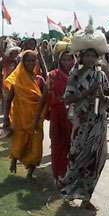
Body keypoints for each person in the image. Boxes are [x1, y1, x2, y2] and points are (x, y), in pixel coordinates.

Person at [60, 21, 109, 211]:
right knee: (77, 158)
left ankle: (86, 197)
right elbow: (67, 98)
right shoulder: (75, 74)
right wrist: (86, 94)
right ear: (81, 56)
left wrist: (101, 96)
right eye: (86, 55)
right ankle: (68, 192)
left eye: (93, 55)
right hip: (81, 123)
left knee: (96, 159)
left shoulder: (101, 75)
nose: (90, 59)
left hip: (98, 121)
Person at [34, 43, 74, 183]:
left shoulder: (79, 76)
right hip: (57, 115)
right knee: (57, 145)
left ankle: (70, 176)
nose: (67, 62)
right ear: (59, 60)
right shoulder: (52, 75)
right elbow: (44, 97)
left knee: (73, 146)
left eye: (70, 59)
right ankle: (58, 176)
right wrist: (37, 117)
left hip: (75, 117)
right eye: (64, 59)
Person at [3, 51, 45, 178]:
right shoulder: (17, 80)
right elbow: (9, 99)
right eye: (28, 60)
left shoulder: (40, 80)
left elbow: (45, 98)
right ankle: (14, 160)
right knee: (20, 141)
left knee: (36, 144)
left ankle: (30, 172)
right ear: (23, 63)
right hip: (20, 117)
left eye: (33, 60)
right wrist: (6, 118)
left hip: (36, 118)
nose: (31, 63)